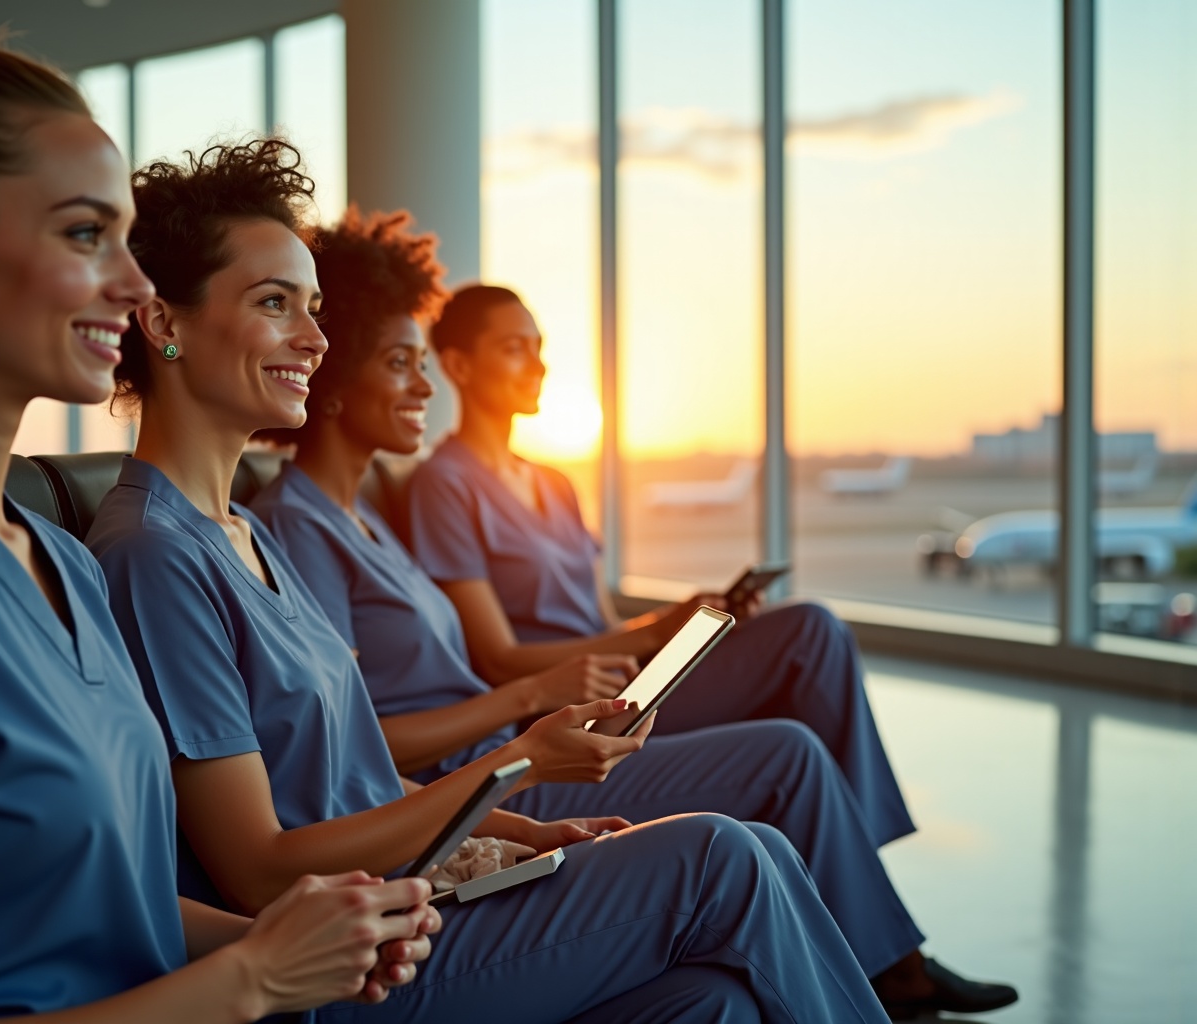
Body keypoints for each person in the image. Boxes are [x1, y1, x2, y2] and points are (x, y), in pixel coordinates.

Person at [87, 138, 895, 1023]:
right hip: (354, 958)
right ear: (161, 324)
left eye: (313, 309)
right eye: (274, 303)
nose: (315, 339)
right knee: (724, 858)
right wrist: (520, 759)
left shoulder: (245, 536)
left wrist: (520, 827)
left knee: (714, 1001)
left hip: (418, 886)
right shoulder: (155, 556)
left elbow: (359, 778)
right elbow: (256, 870)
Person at [0, 3, 436, 1021]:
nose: (132, 283)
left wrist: (302, 941)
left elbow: (111, 912)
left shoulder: (61, 561)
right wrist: (253, 977)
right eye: (87, 234)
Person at [248, 207, 1021, 1020]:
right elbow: (357, 742)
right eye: (400, 363)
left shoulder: (369, 520)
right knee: (777, 774)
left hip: (505, 753)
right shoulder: (305, 528)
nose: (424, 387)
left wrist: (637, 647)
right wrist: (531, 712)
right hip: (482, 767)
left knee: (800, 683)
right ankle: (888, 956)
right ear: (334, 381)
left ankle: (870, 926)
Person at [406, 282, 917, 849]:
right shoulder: (444, 485)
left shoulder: (555, 484)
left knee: (811, 628)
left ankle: (853, 845)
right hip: (571, 709)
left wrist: (675, 627)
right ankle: (854, 858)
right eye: (513, 349)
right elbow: (497, 658)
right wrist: (655, 632)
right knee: (801, 675)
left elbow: (603, 622)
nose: (538, 365)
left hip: (627, 680)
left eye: (539, 347)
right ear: (458, 365)